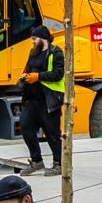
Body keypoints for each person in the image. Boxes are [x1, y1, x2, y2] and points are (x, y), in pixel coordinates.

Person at [19, 25, 65, 174]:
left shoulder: (55, 52)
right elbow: (29, 70)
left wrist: (38, 77)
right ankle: (36, 161)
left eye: (34, 38)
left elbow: (58, 74)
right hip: (32, 99)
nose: (32, 41)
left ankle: (58, 164)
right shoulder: (33, 53)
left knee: (52, 133)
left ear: (43, 39)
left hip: (49, 99)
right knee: (26, 127)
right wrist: (25, 77)